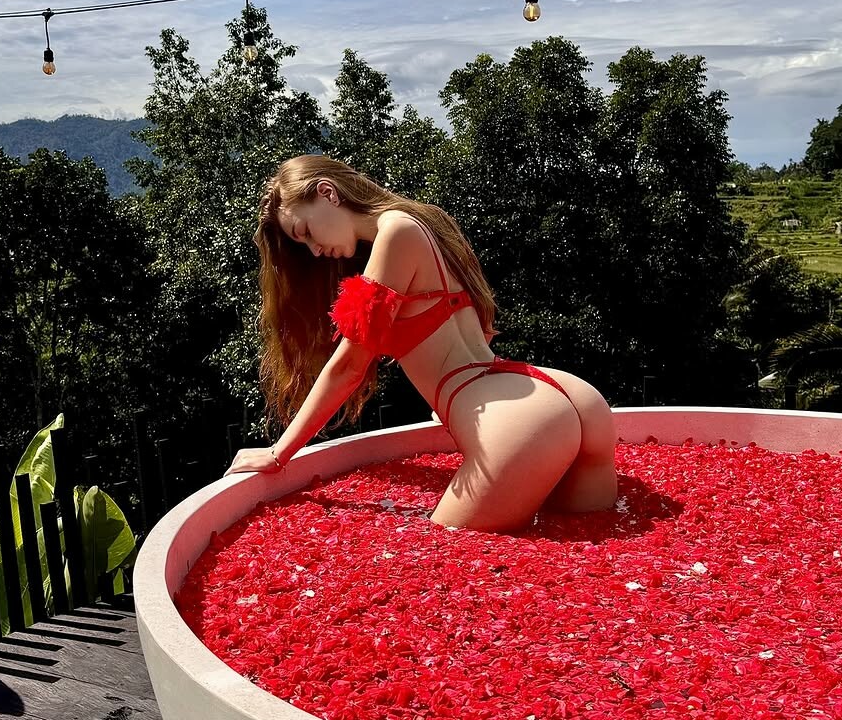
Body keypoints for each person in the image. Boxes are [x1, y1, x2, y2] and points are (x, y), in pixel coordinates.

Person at [223, 155, 618, 533]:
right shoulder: (427, 225)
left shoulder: (395, 234)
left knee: (445, 560)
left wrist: (278, 452)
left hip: (521, 423)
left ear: (328, 192)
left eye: (305, 231)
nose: (314, 250)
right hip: (570, 398)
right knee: (592, 551)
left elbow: (348, 366)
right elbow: (476, 328)